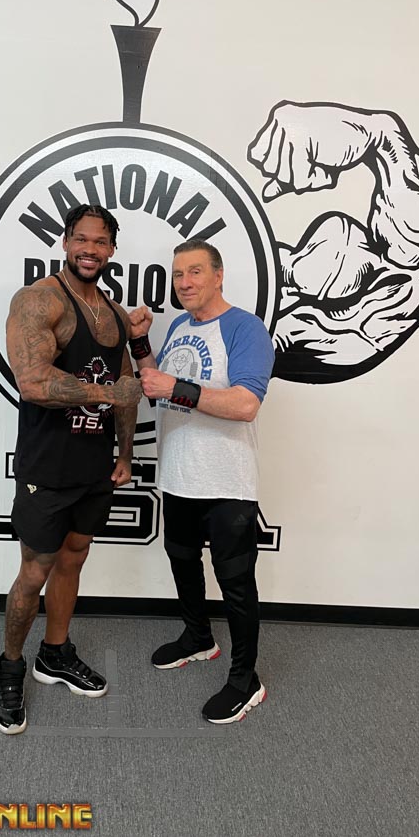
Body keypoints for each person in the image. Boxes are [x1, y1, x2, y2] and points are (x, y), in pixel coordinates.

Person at [0, 203, 142, 734]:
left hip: (94, 464)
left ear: (112, 250)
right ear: (65, 241)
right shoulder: (38, 299)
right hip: (47, 464)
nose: (90, 250)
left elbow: (127, 389)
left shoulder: (115, 313)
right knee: (35, 569)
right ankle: (11, 667)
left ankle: (54, 653)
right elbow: (33, 382)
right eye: (81, 239)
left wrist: (124, 454)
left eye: (100, 242)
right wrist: (108, 394)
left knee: (74, 558)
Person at [130, 239, 275, 724]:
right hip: (178, 475)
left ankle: (246, 679)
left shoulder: (244, 328)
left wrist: (177, 387)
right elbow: (158, 387)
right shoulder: (178, 327)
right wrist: (139, 343)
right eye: (178, 274)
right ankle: (198, 637)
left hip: (227, 482)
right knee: (183, 561)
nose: (185, 282)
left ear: (218, 275)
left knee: (236, 585)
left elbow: (246, 404)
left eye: (194, 271)